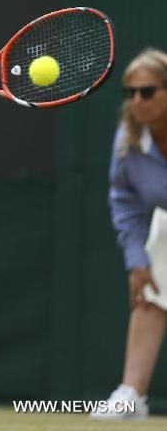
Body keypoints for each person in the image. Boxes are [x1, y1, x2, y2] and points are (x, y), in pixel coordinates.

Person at [92, 48, 167, 421]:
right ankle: (131, 397)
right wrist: (136, 258)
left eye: (148, 91)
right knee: (148, 289)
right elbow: (124, 203)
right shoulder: (128, 140)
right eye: (130, 93)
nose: (138, 100)